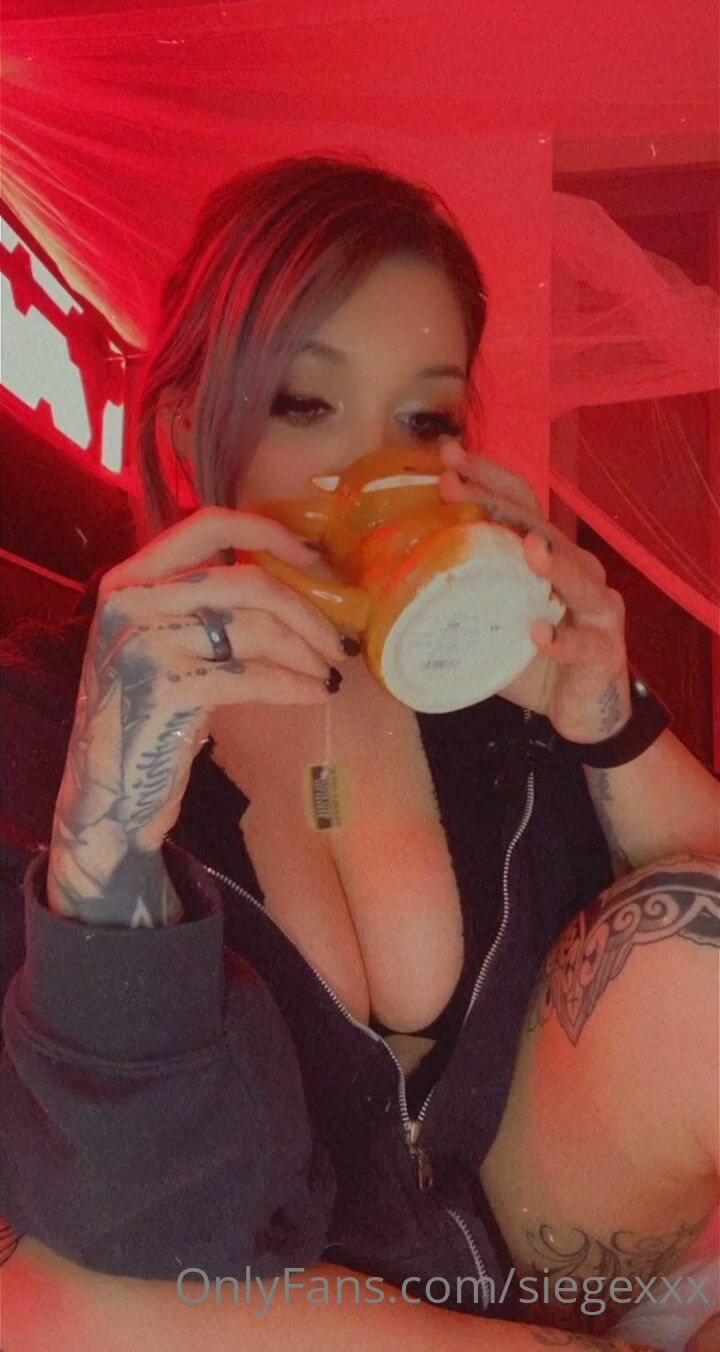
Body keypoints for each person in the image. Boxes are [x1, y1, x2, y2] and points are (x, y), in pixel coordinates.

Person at [1, 153, 718, 1352]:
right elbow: (136, 1217)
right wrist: (107, 842)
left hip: (535, 1243)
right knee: (45, 1308)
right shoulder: (43, 724)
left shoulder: (495, 686)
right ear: (186, 431)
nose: (374, 470)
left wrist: (604, 713)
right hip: (255, 1296)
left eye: (423, 419)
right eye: (305, 403)